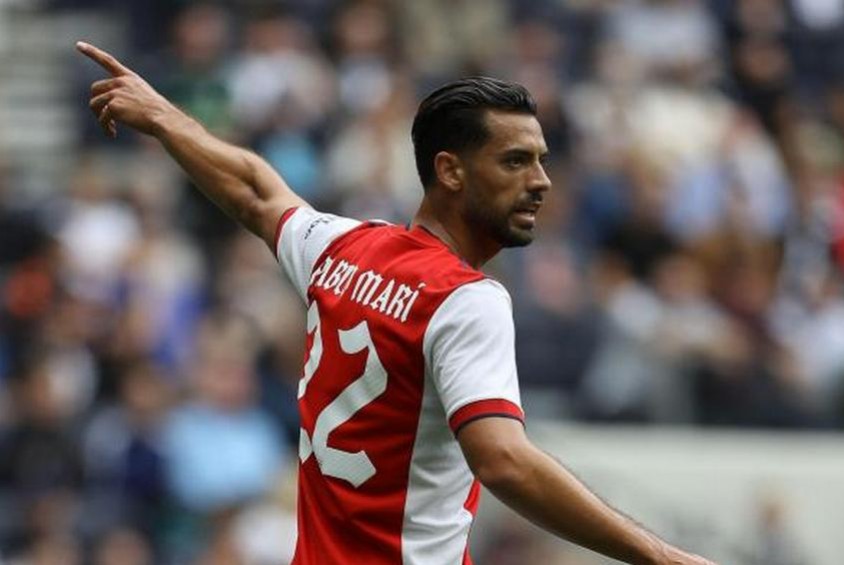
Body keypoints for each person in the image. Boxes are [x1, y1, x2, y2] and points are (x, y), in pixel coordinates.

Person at [76, 41, 715, 565]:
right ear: (450, 171)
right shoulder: (466, 301)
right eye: (516, 162)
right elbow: (503, 461)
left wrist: (165, 118)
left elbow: (254, 192)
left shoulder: (340, 250)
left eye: (541, 161)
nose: (541, 181)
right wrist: (661, 557)